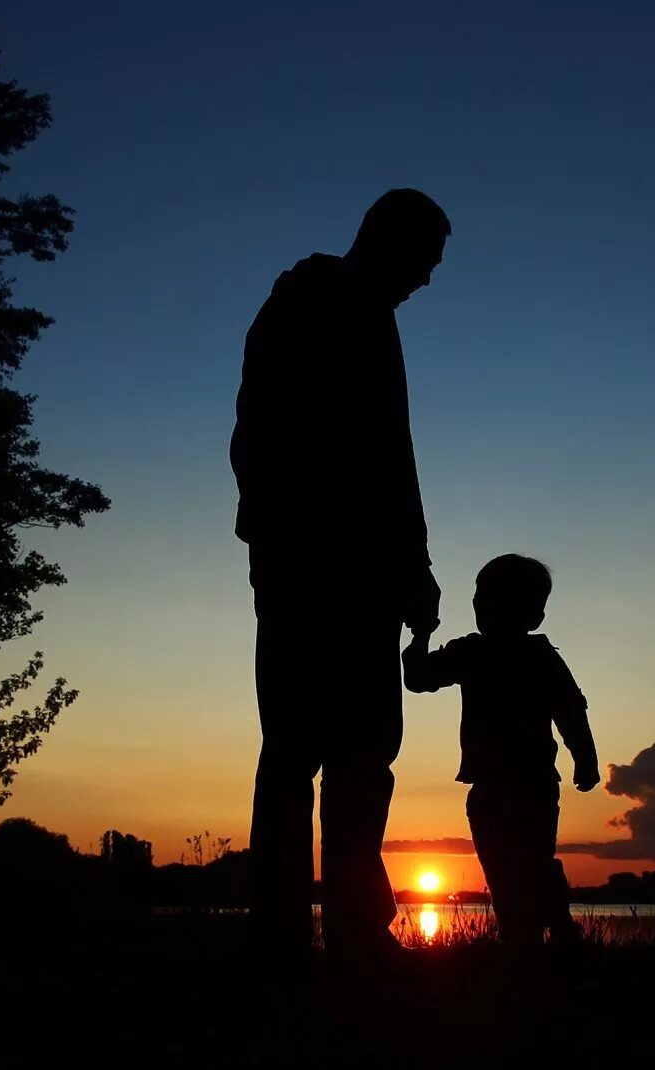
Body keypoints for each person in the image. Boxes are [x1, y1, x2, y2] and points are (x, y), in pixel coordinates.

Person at [231, 189, 451, 958]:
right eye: (422, 263)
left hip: (359, 573)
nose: (425, 282)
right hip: (312, 568)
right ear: (385, 240)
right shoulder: (309, 305)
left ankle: (348, 927)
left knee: (357, 754)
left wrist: (412, 567)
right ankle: (292, 933)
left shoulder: (360, 315)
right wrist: (285, 542)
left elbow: (394, 463)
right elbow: (264, 441)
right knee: (302, 750)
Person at [402, 554, 599, 947]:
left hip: (533, 783)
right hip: (492, 786)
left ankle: (555, 927)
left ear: (534, 615)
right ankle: (522, 935)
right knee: (500, 867)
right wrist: (421, 635)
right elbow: (420, 678)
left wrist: (586, 759)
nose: (482, 608)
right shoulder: (470, 652)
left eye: (492, 601)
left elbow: (571, 710)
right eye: (480, 600)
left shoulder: (537, 656)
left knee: (532, 862)